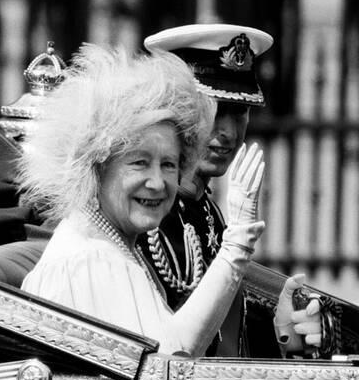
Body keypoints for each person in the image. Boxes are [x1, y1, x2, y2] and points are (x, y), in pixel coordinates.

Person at [19, 43, 266, 357]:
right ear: (98, 164)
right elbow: (170, 361)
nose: (157, 183)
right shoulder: (91, 260)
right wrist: (236, 247)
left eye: (168, 165)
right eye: (138, 162)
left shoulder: (112, 246)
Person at [138, 24, 321, 357]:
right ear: (178, 109)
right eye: (216, 110)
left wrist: (282, 330)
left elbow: (226, 340)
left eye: (240, 112)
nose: (228, 132)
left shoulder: (209, 211)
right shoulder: (146, 209)